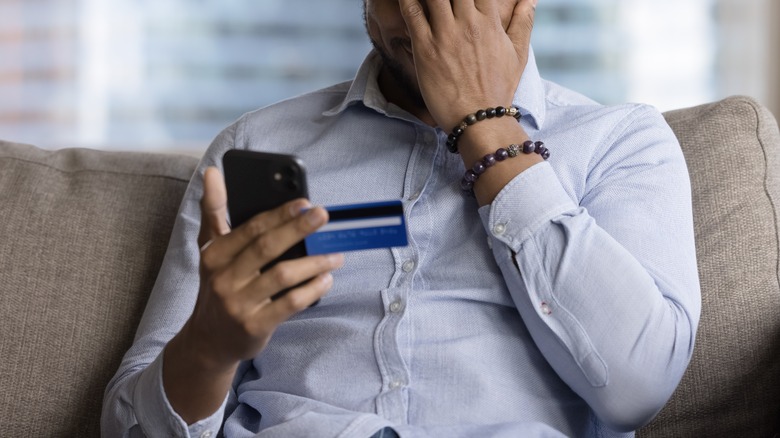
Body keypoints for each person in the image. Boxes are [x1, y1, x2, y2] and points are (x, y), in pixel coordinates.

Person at [102, 0, 701, 436]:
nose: (434, 13)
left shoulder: (622, 141)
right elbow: (128, 426)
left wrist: (484, 122)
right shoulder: (256, 144)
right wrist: (208, 348)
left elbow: (636, 389)